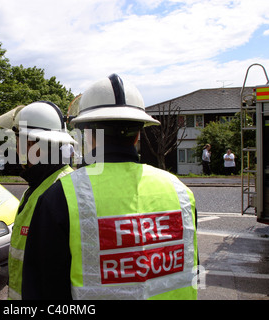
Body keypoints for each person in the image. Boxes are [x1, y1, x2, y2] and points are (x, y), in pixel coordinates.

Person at [22, 74, 198, 300]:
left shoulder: (60, 197)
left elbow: (44, 289)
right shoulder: (180, 191)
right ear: (137, 134)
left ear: (88, 133)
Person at [0, 101, 76, 300]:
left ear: (34, 144)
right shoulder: (39, 186)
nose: (17, 149)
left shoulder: (61, 191)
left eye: (18, 141)